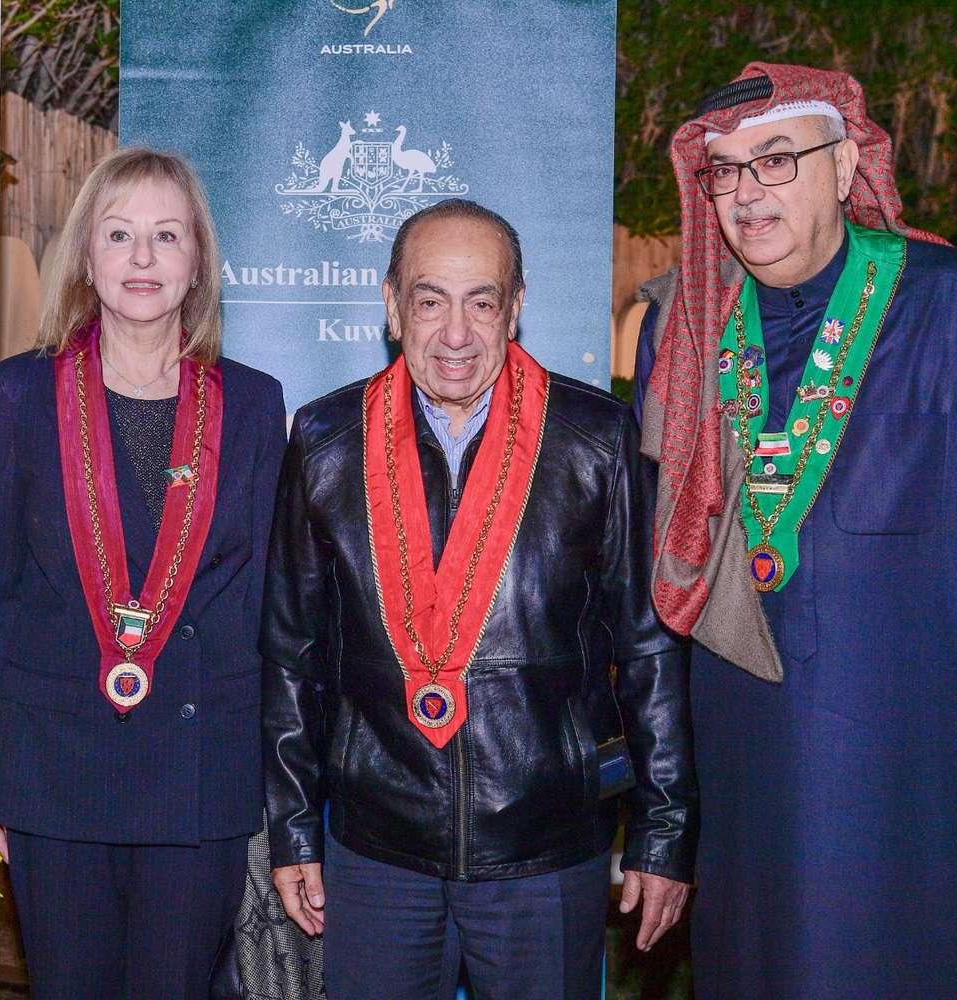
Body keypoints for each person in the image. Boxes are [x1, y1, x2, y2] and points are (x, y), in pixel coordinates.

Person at [633, 63, 957, 998]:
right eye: (724, 170)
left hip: (923, 746)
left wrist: (949, 647)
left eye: (776, 159)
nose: (746, 192)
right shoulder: (686, 328)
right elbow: (658, 535)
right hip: (747, 745)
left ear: (843, 167)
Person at [262, 198, 695, 1000]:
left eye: (482, 302)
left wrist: (664, 831)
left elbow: (650, 648)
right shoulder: (325, 441)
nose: (455, 334)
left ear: (515, 307)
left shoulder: (598, 439)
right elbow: (292, 654)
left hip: (544, 847)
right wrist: (292, 829)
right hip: (377, 848)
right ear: (393, 307)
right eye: (430, 301)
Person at [0, 146, 286, 999]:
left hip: (198, 769)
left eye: (167, 236)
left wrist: (271, 775)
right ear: (87, 256)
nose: (143, 258)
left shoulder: (254, 403)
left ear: (198, 262)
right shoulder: (17, 393)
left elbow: (264, 600)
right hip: (52, 763)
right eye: (119, 234)